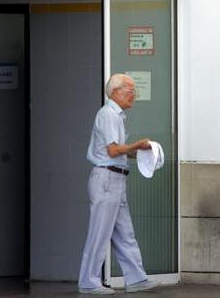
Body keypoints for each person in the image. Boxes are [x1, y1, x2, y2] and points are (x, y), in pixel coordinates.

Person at [78, 74, 158, 295]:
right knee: (100, 233)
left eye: (134, 91)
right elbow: (113, 151)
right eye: (130, 90)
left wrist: (140, 152)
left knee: (125, 232)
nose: (134, 95)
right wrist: (137, 144)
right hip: (107, 178)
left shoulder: (116, 116)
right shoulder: (109, 115)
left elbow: (116, 152)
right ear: (116, 91)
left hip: (115, 177)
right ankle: (88, 282)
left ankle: (136, 278)